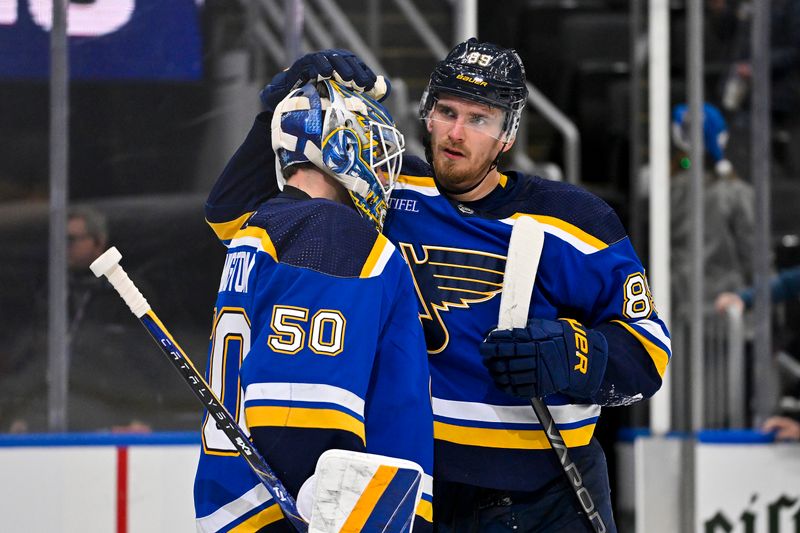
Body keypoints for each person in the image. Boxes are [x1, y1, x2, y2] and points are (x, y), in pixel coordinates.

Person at [204, 42, 671, 532]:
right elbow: (240, 219)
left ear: (507, 134)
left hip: (547, 497)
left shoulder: (576, 221)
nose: (455, 133)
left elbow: (649, 354)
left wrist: (574, 356)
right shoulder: (377, 183)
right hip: (417, 491)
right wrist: (279, 119)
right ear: (426, 113)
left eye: (479, 118)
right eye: (446, 110)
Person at [194, 79, 434, 532]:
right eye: (368, 142)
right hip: (306, 514)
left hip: (245, 504)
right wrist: (324, 515)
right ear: (334, 146)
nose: (384, 170)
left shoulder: (263, 228)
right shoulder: (329, 232)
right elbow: (298, 409)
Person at [3, 207, 167, 433]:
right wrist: (22, 413)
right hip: (59, 407)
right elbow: (36, 354)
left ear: (99, 242)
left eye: (71, 239)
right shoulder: (52, 291)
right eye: (60, 240)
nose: (64, 247)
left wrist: (142, 415)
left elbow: (145, 356)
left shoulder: (126, 292)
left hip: (111, 409)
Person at [669, 102, 755, 321]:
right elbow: (755, 257)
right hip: (727, 314)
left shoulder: (662, 192)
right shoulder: (737, 192)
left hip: (681, 311)